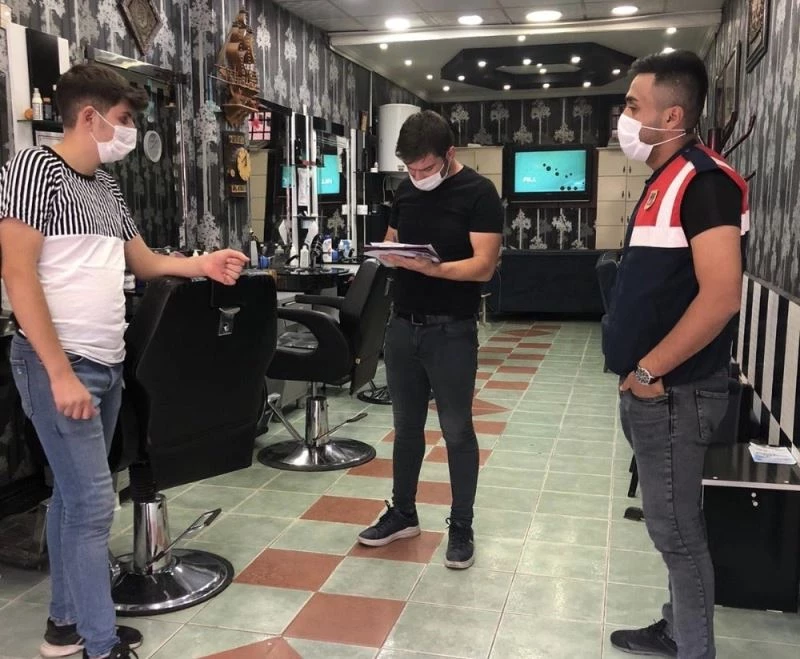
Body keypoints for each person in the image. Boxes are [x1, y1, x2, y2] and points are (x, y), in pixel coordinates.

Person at [0, 64, 248, 659]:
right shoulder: (33, 170)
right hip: (59, 362)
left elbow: (143, 261)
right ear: (89, 116)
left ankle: (64, 627)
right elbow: (17, 273)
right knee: (91, 505)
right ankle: (99, 643)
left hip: (106, 362)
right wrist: (59, 371)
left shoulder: (106, 187)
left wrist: (201, 263)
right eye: (124, 119)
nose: (129, 130)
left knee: (72, 499)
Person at [603, 50, 749, 658]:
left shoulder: (704, 182)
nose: (624, 118)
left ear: (672, 116)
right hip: (655, 391)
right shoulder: (663, 180)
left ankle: (694, 648)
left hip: (675, 391)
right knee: (672, 527)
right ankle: (677, 629)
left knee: (677, 533)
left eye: (633, 106)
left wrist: (648, 369)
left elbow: (721, 296)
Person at [357, 110, 502, 569]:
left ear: (449, 154)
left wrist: (432, 269)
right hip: (403, 325)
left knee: (457, 430)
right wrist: (389, 253)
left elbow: (484, 265)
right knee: (406, 427)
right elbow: (393, 238)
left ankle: (461, 525)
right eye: (410, 169)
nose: (418, 177)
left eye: (426, 168)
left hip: (451, 329)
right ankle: (403, 513)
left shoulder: (478, 193)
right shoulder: (405, 192)